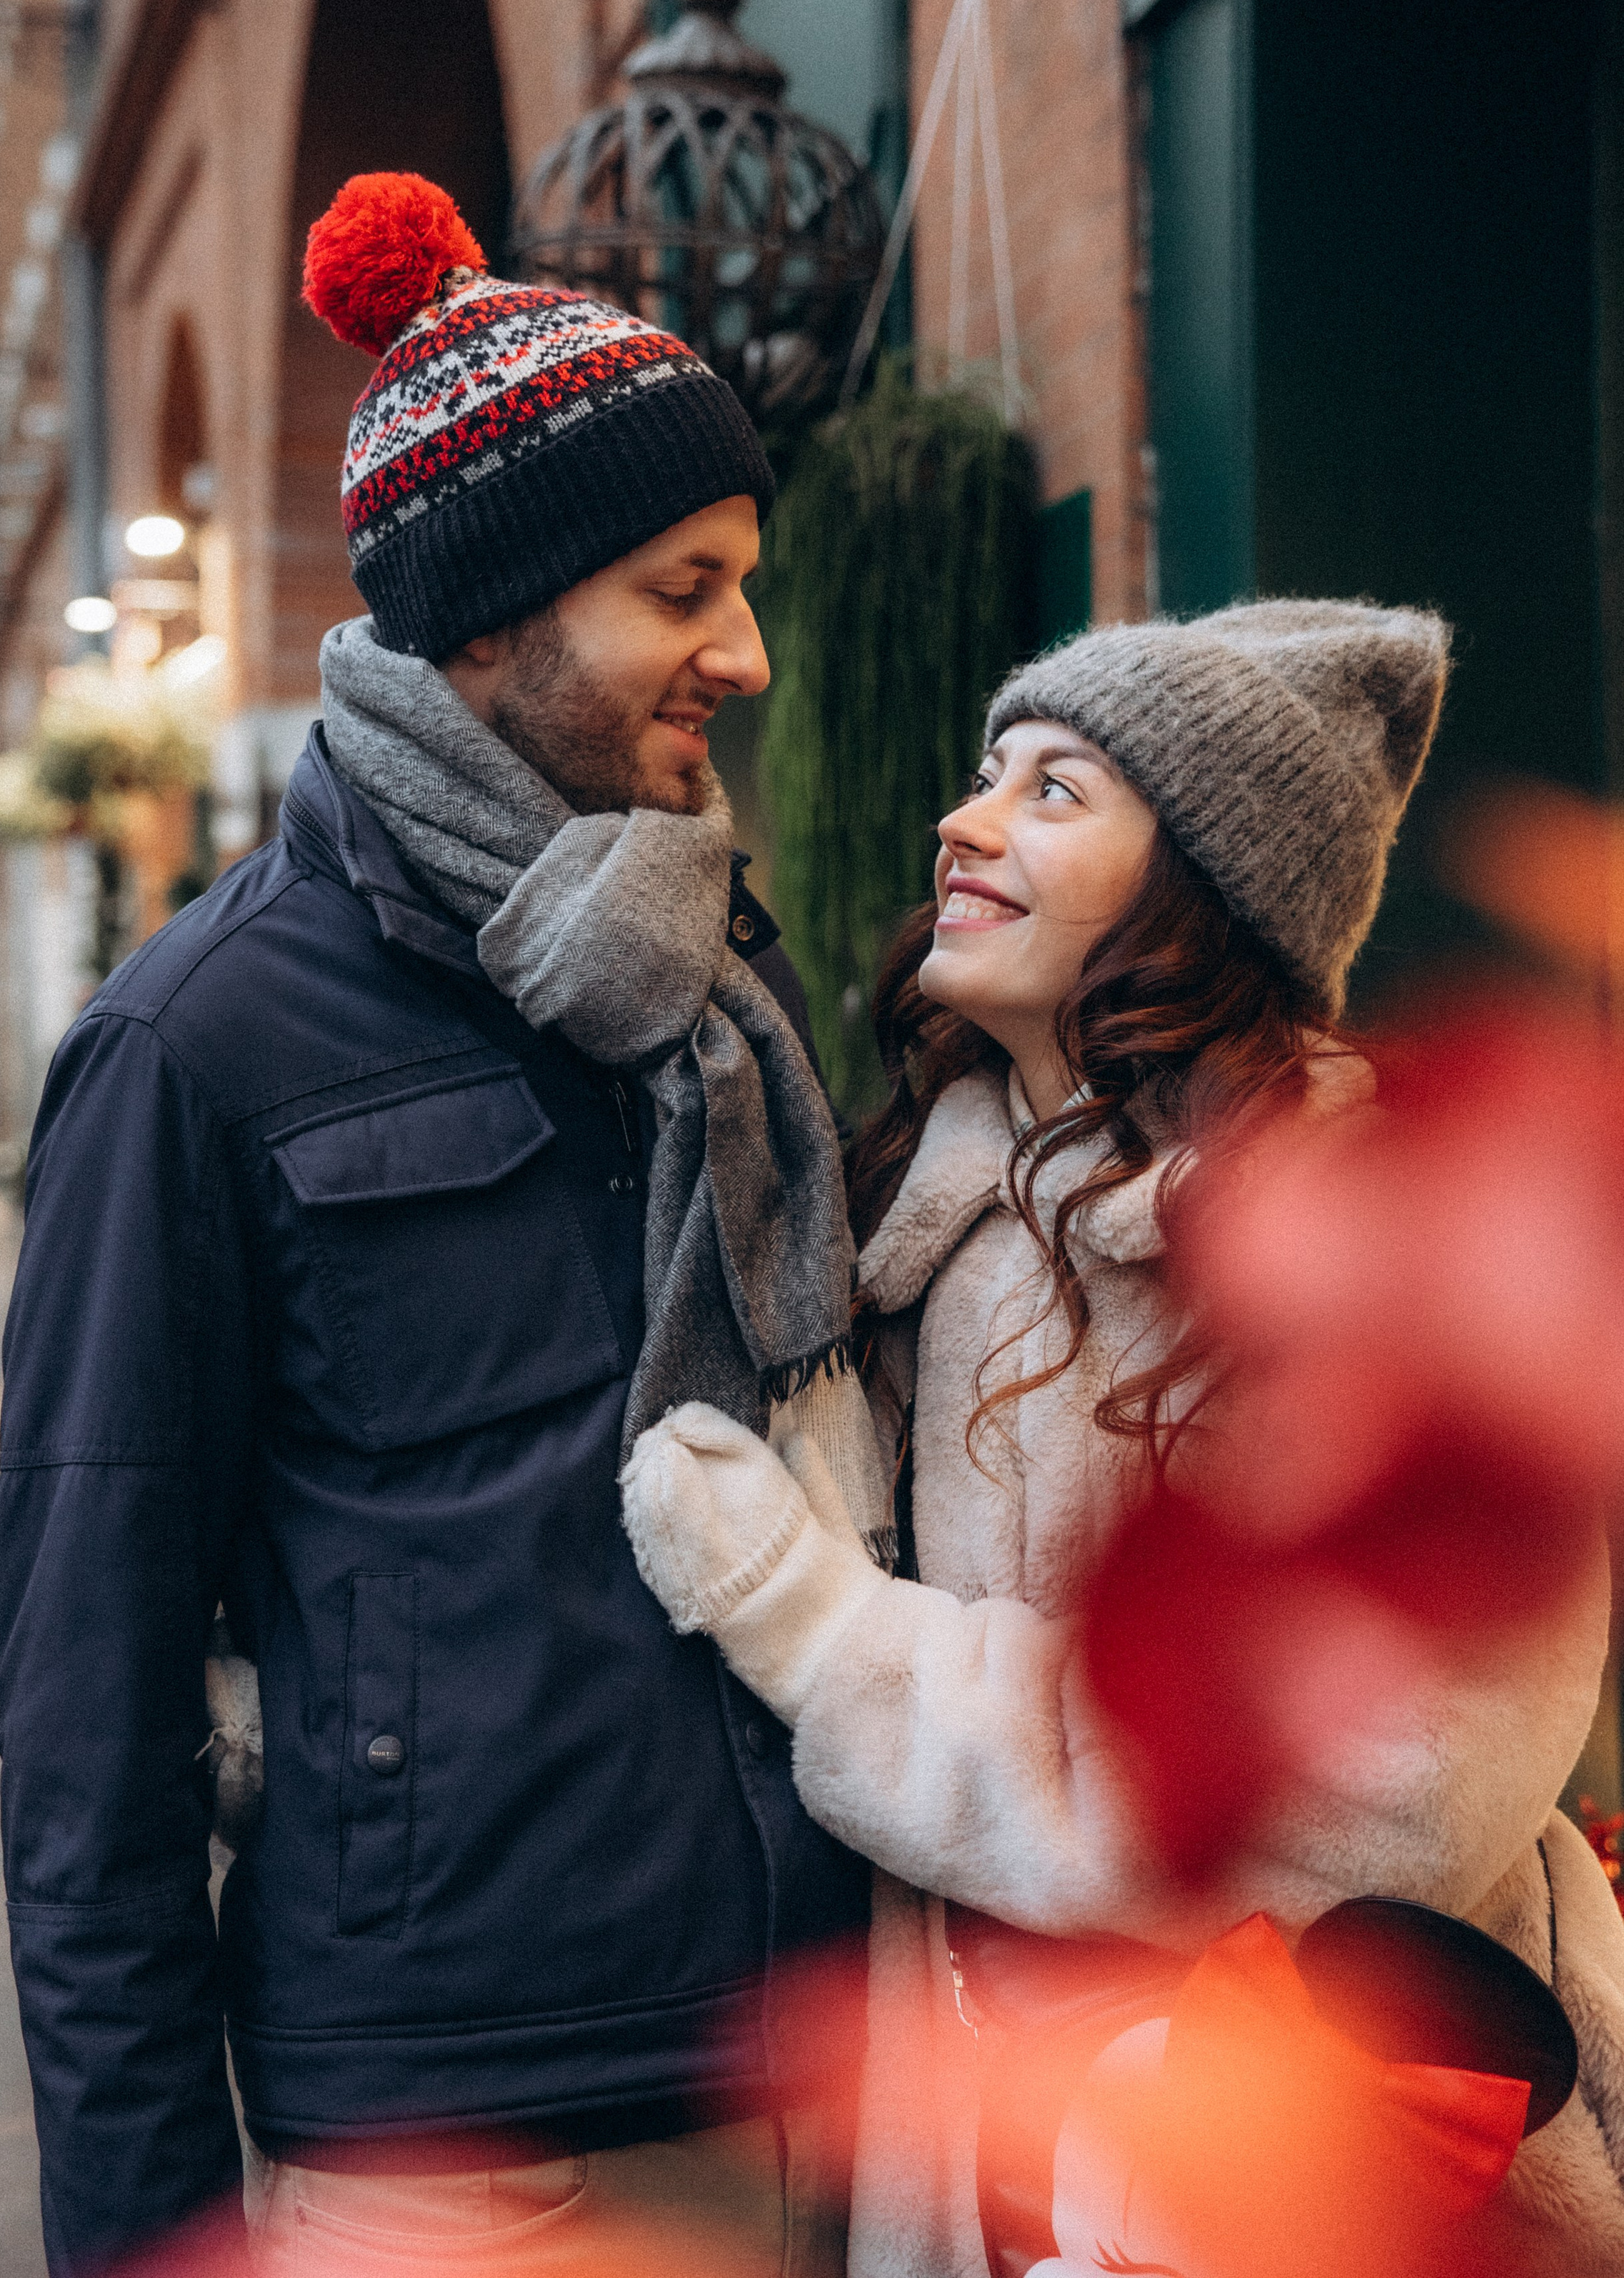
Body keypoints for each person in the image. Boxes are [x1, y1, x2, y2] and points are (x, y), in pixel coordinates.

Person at [0, 173, 878, 2278]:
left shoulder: (707, 974)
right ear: (490, 613)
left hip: (808, 2075)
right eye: (685, 588)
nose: (742, 657)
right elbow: (86, 1715)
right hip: (457, 2150)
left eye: (740, 584)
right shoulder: (194, 1043)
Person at [621, 601, 1624, 2277]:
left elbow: (1364, 1811)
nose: (963, 821)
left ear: (1206, 890)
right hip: (991, 2160)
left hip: (1320, 2161)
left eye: (1054, 788)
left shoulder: (1372, 1247)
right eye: (981, 774)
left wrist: (814, 1623)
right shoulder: (915, 1228)